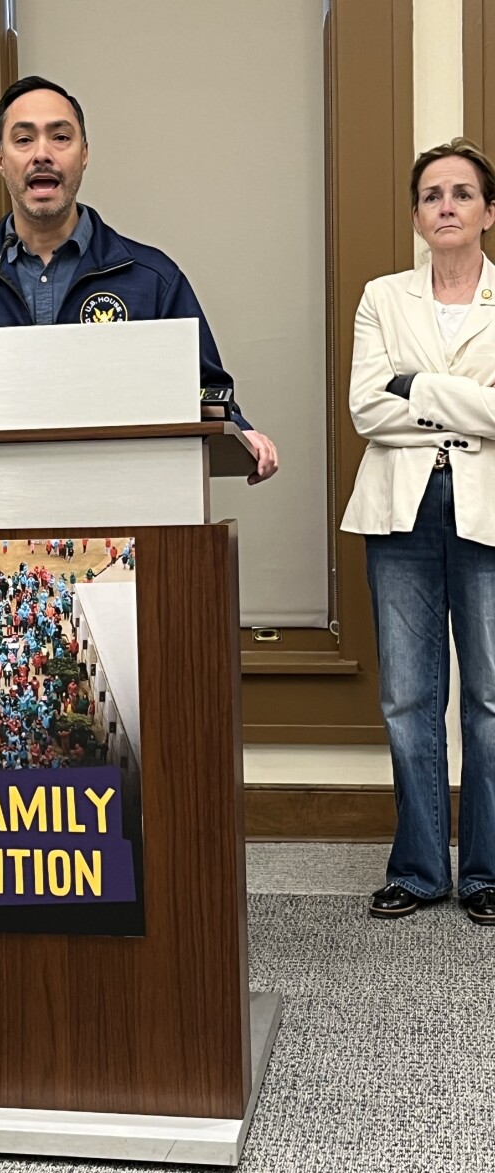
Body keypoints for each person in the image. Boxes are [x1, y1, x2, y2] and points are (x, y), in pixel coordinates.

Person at [0, 76, 278, 486]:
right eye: (24, 140)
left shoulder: (151, 280)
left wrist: (239, 428)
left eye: (60, 137)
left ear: (84, 154)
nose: (42, 155)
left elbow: (206, 393)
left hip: (122, 518)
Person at [342, 138, 495, 925]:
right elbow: (367, 408)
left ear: (487, 212)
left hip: (487, 514)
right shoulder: (382, 296)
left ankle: (488, 871)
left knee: (492, 700)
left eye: (461, 193)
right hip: (400, 512)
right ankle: (423, 866)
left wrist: (419, 387)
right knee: (409, 697)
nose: (446, 206)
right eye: (432, 194)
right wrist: (463, 399)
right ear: (416, 215)